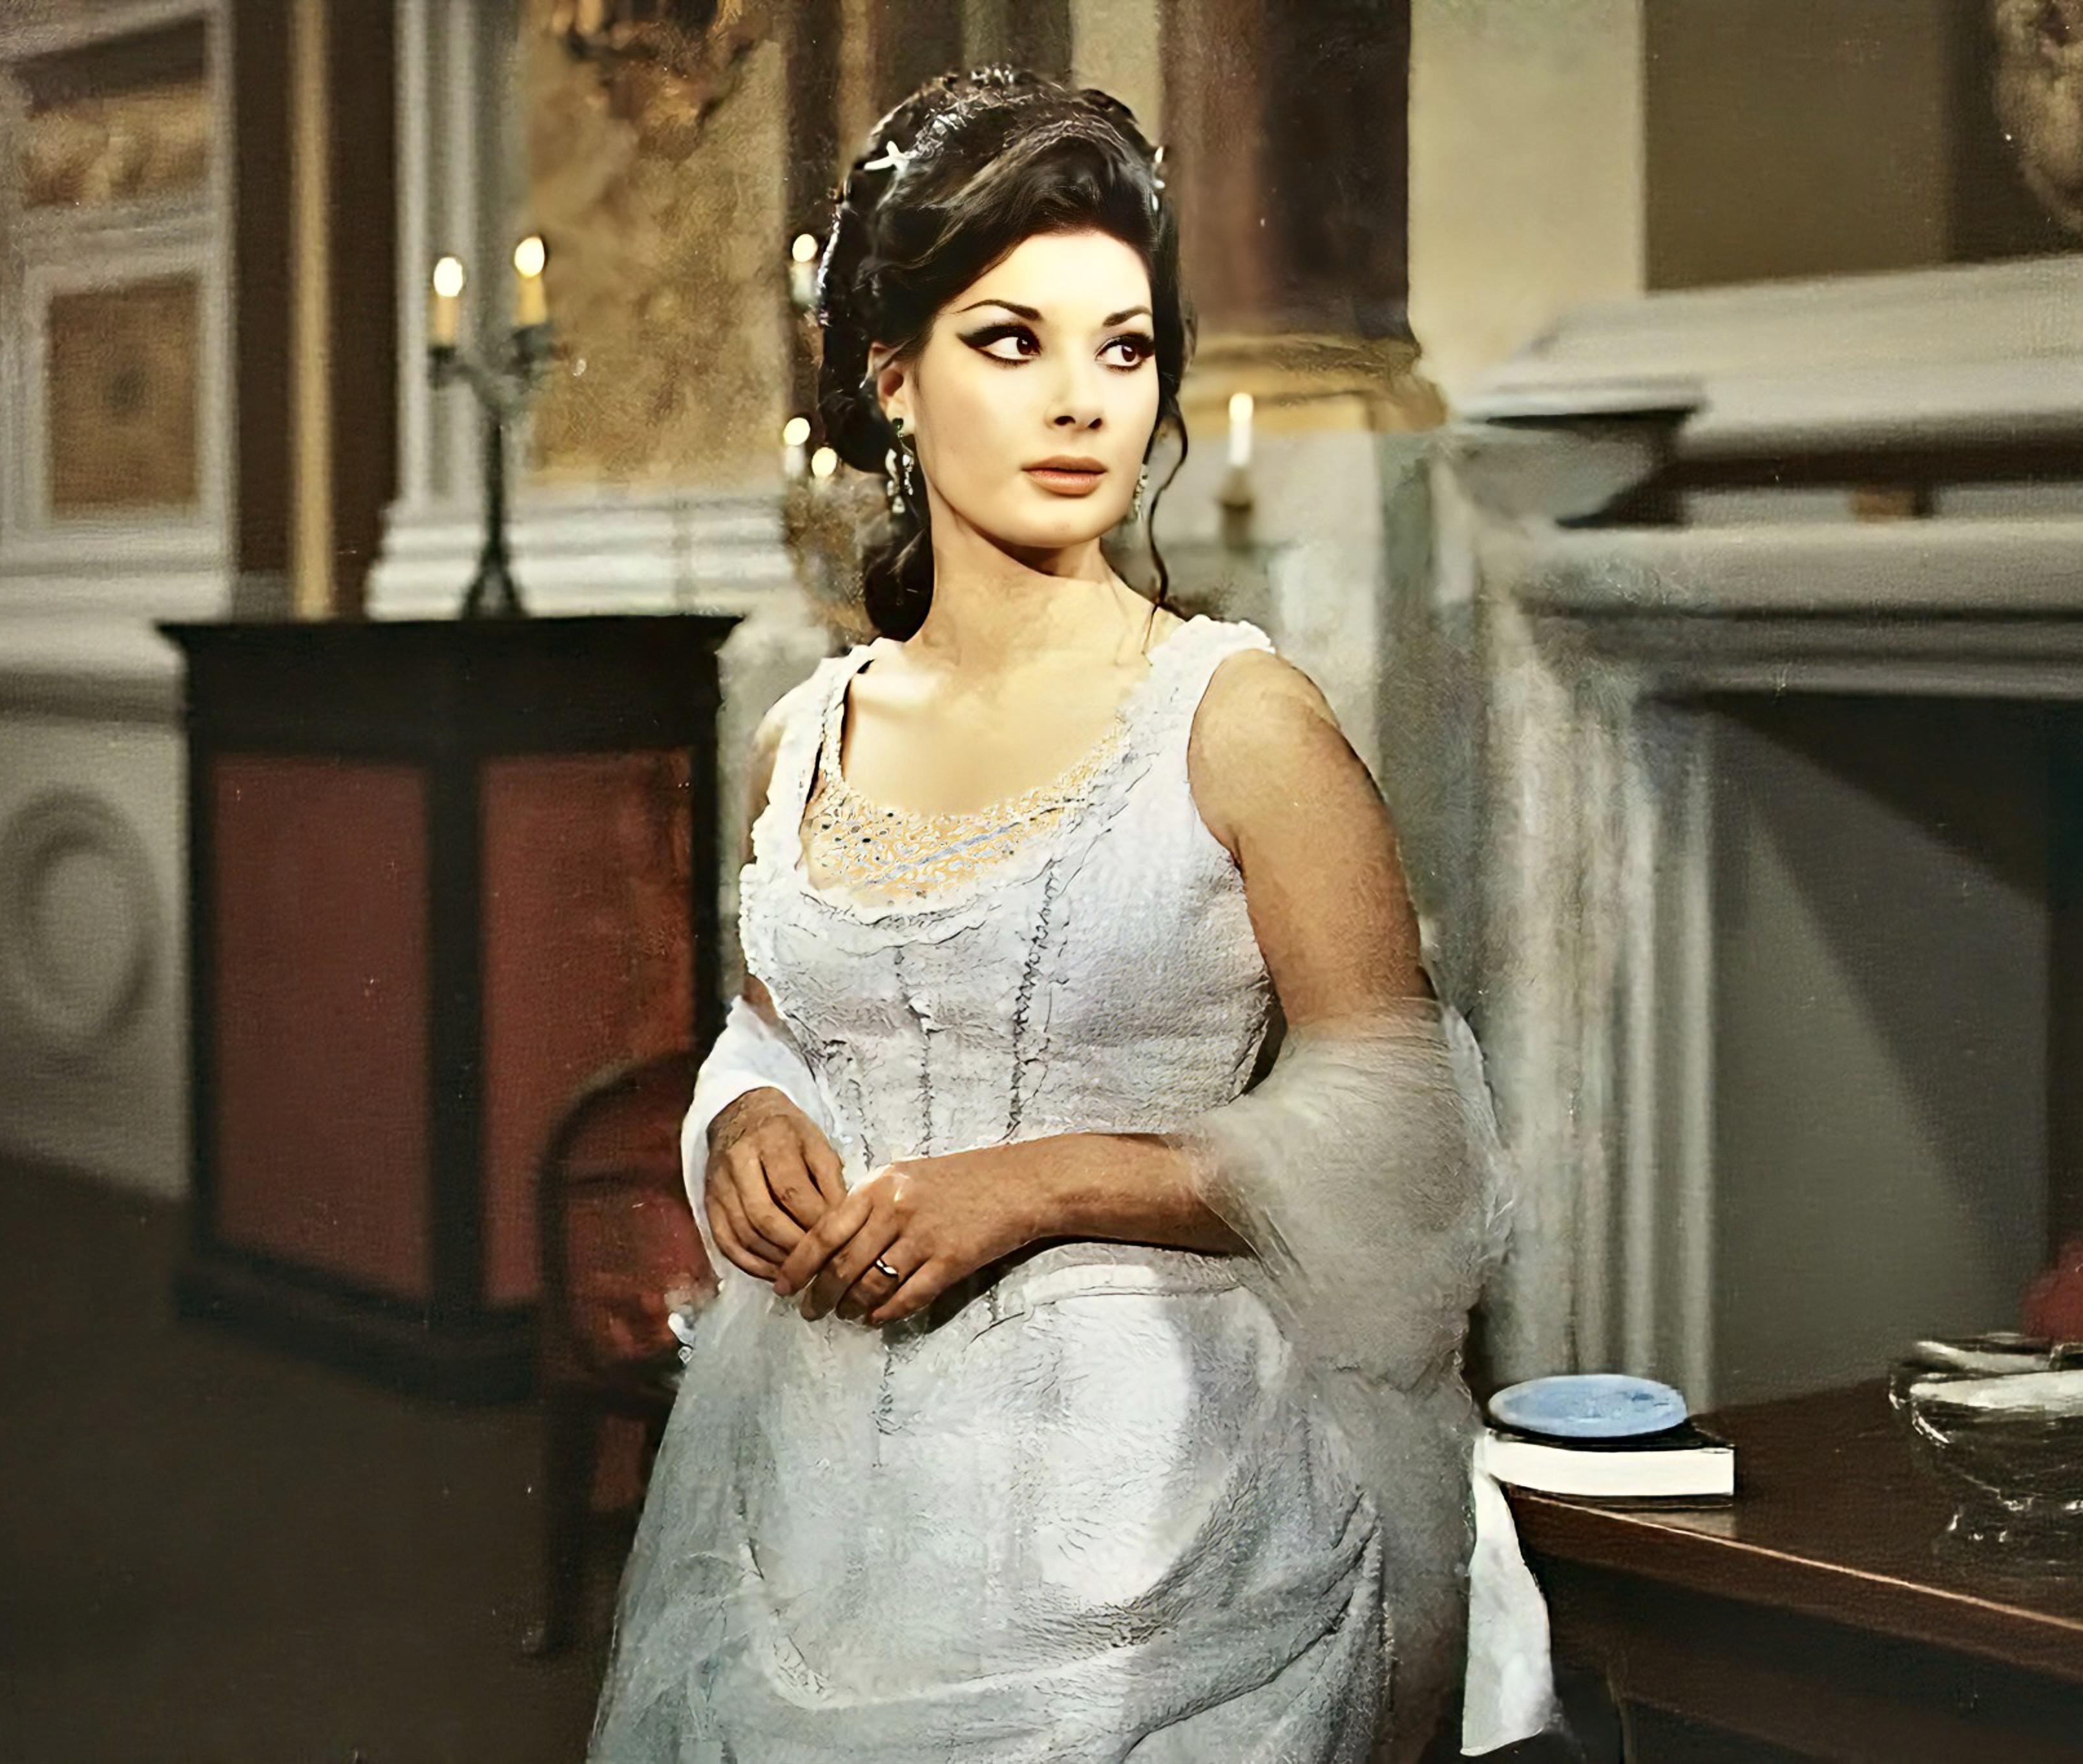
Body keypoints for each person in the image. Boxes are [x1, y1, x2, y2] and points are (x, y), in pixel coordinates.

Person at [587, 67, 1553, 1764]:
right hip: (822, 1475)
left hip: (1151, 1502)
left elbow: (1410, 1147)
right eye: (1010, 340)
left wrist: (1045, 1181)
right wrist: (741, 1119)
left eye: (1123, 348)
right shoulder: (802, 736)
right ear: (891, 376)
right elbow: (775, 1027)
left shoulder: (1240, 723)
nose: (1080, 402)